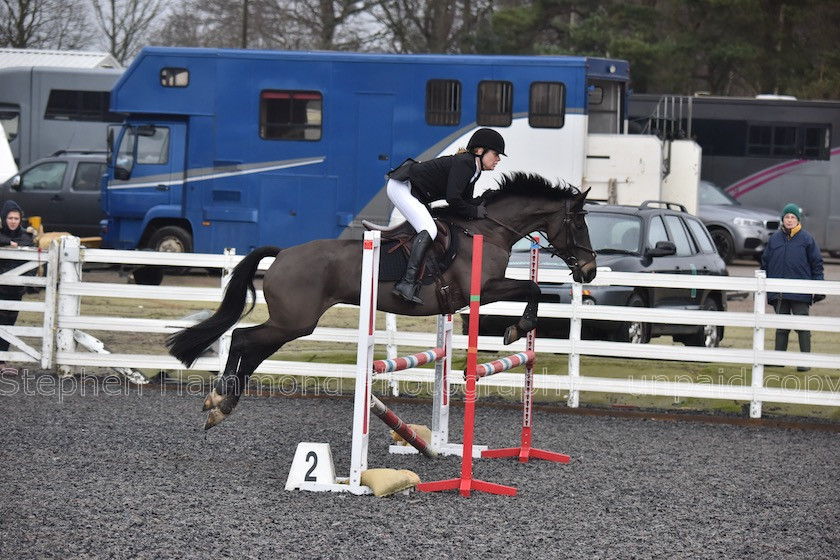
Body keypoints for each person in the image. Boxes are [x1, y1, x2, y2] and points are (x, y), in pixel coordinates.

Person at [385, 128, 505, 304]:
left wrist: (484, 202)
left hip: (415, 191)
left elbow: (465, 200)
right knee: (429, 229)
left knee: (431, 226)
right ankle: (406, 283)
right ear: (480, 151)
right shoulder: (466, 163)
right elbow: (454, 199)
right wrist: (474, 211)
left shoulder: (474, 170)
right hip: (402, 187)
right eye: (495, 154)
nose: (498, 159)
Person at [760, 202, 824, 371]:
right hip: (778, 292)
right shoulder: (774, 239)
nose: (789, 220)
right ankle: (778, 359)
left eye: (793, 217)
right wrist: (762, 287)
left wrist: (818, 287)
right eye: (787, 217)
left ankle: (804, 361)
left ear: (798, 220)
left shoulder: (807, 239)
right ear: (783, 219)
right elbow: (764, 264)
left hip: (800, 291)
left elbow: (816, 264)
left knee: (802, 326)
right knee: (781, 327)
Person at [0, 200, 35, 374]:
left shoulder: (26, 237)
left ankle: (1, 361)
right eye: (9, 218)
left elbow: (33, 258)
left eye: (16, 218)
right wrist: (9, 244)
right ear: (4, 218)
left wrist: (30, 282)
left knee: (9, 324)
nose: (13, 221)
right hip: (0, 287)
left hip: (16, 288)